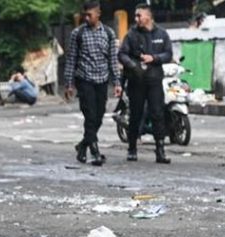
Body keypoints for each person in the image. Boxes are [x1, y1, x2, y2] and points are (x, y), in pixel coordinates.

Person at [63, 1, 121, 166]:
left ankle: (82, 146)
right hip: (84, 80)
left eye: (90, 15)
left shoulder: (109, 33)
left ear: (98, 14)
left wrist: (117, 82)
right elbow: (71, 59)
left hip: (102, 80)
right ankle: (95, 151)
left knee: (99, 116)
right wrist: (68, 84)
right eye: (85, 15)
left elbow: (112, 60)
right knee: (90, 115)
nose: (87, 18)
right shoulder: (78, 33)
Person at [118, 4, 173, 164]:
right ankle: (132, 148)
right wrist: (133, 65)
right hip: (137, 80)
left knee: (157, 114)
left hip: (155, 80)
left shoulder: (162, 34)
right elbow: (122, 53)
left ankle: (160, 150)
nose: (136, 19)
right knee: (136, 115)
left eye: (139, 15)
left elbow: (168, 54)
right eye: (135, 16)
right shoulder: (132, 34)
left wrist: (154, 58)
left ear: (148, 16)